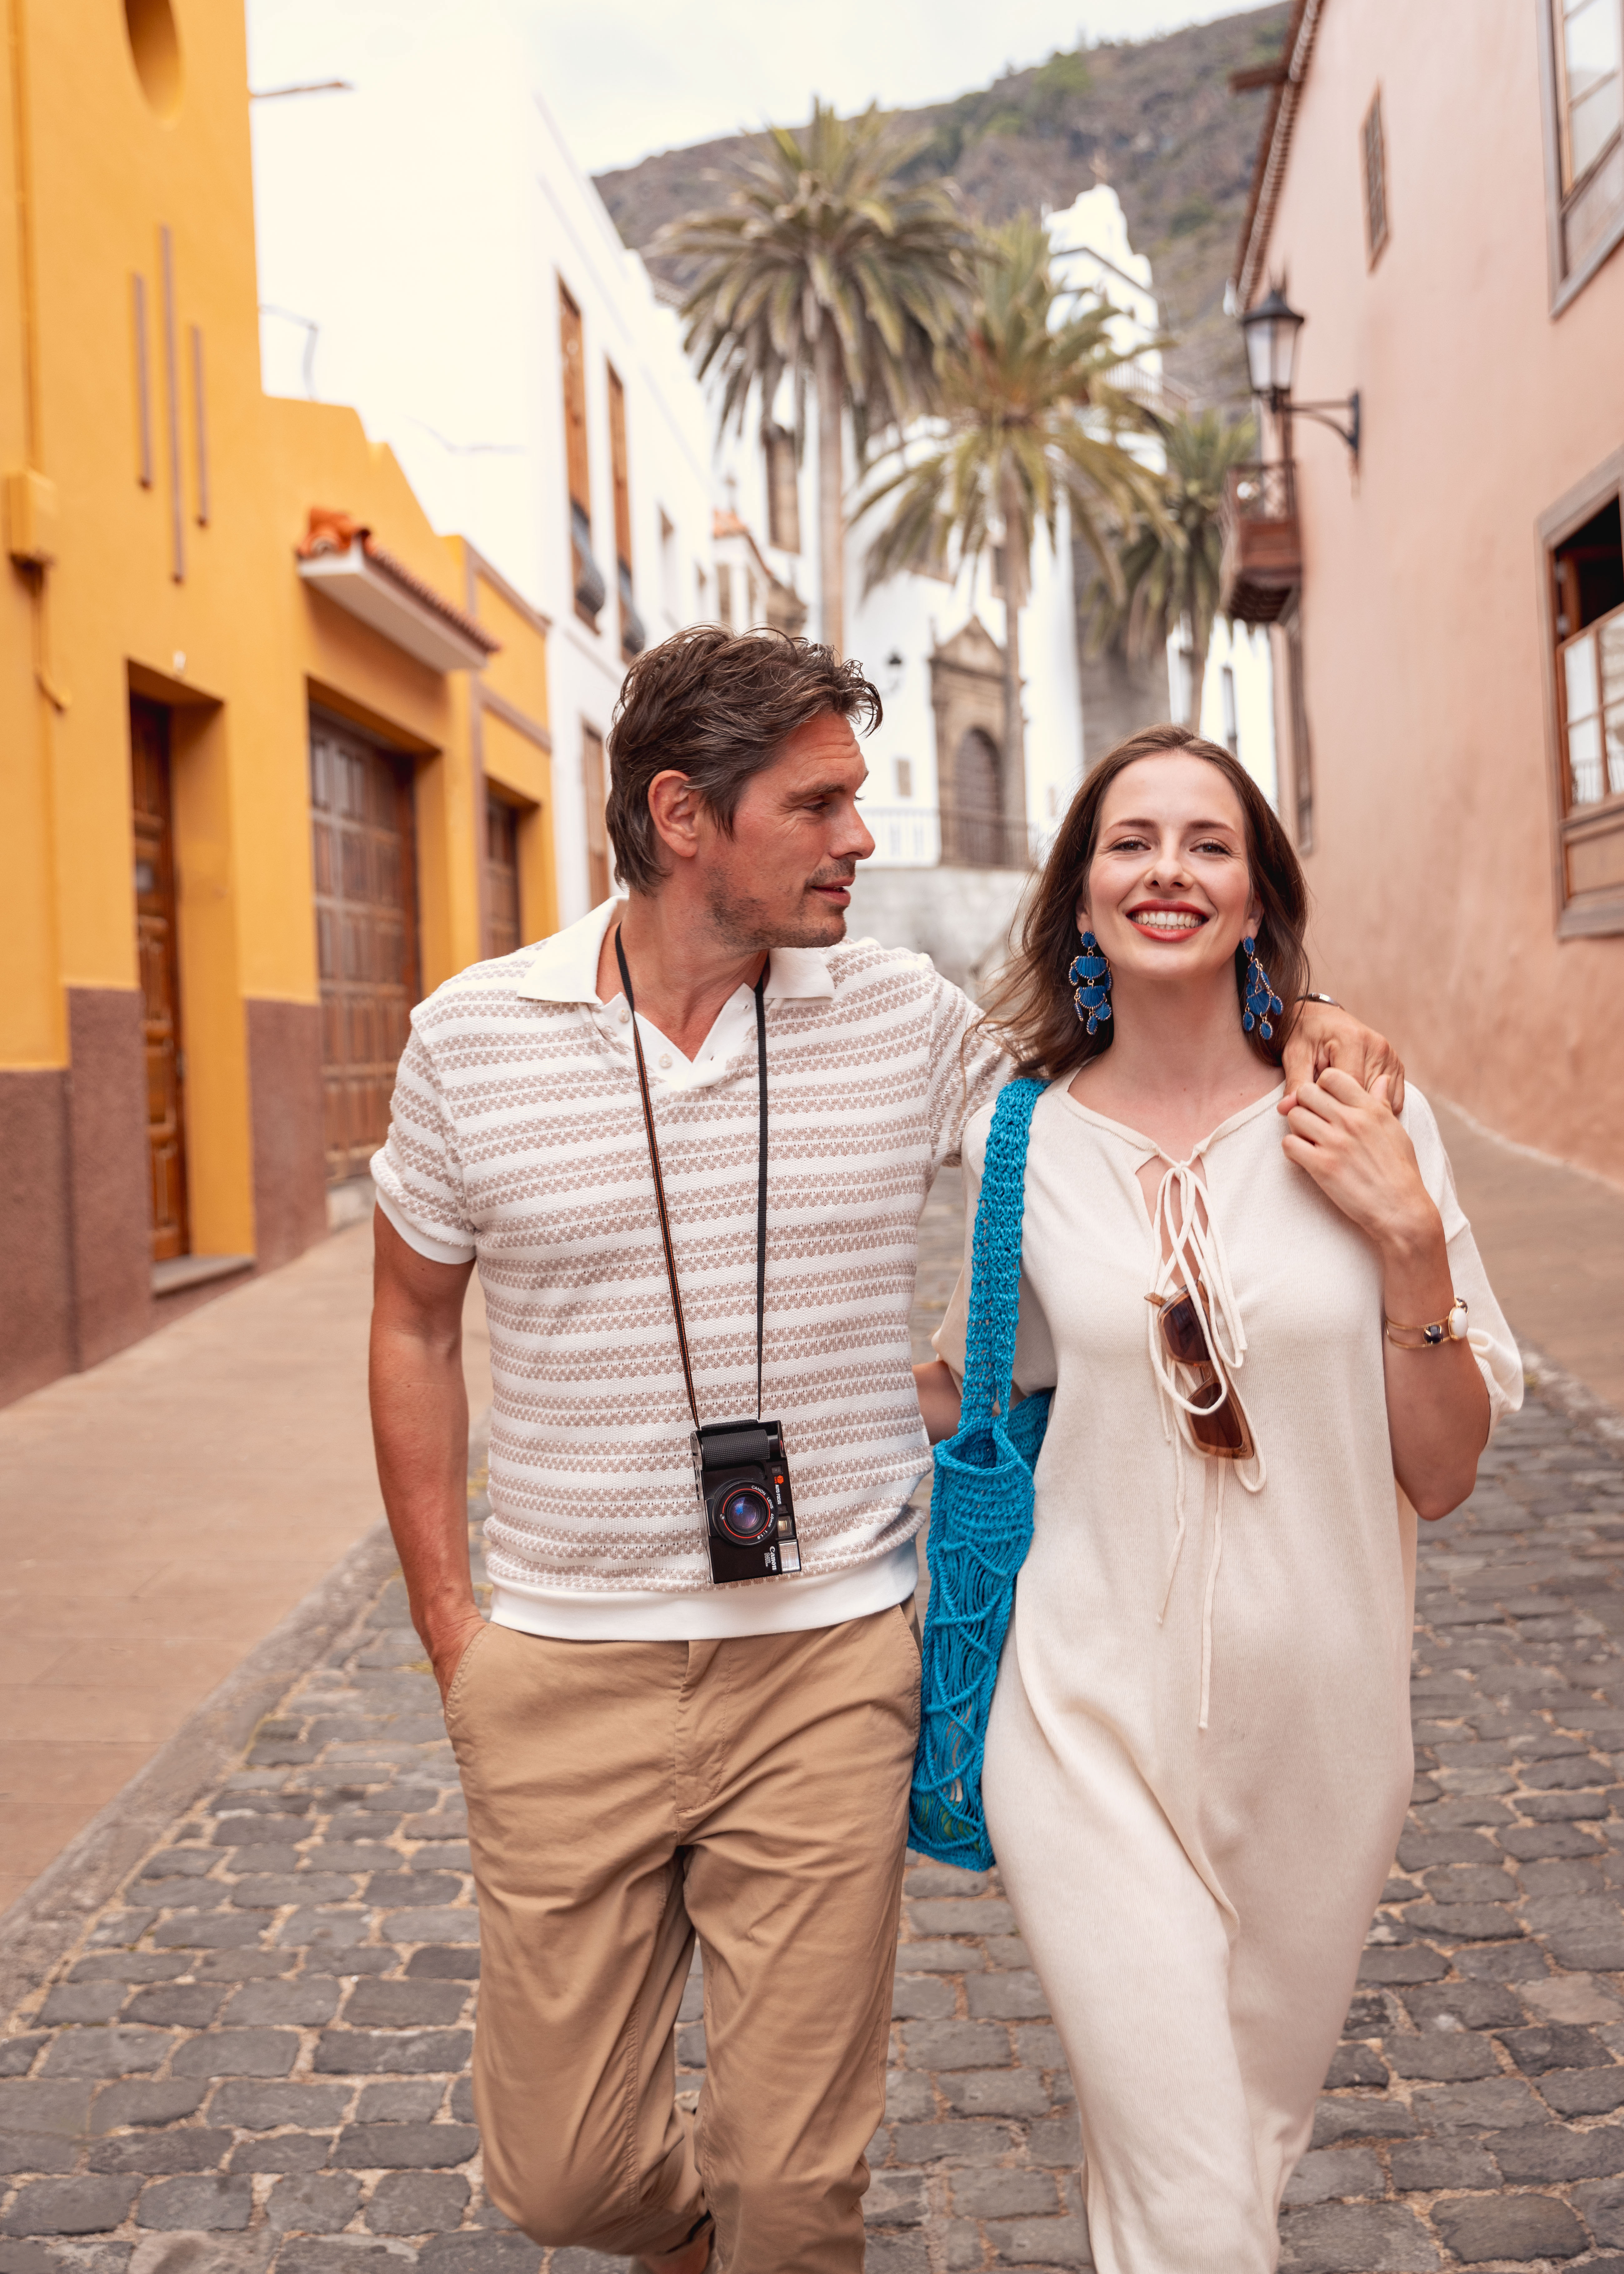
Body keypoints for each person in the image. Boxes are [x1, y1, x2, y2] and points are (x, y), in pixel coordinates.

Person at [367, 635, 1401, 2274]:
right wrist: (452, 1633)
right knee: (563, 2181)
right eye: (823, 803)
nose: (863, 836)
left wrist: (1316, 1021)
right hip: (563, 1660)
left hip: (834, 1665)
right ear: (684, 815)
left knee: (796, 2194)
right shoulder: (471, 1038)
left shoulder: (901, 1016)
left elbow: (1114, 1096)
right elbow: (414, 1325)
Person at [919, 722, 1521, 2274]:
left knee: (1224, 2156)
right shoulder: (1018, 1143)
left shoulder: (1369, 1126)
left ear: (1258, 898)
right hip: (1084, 1716)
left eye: (1207, 841)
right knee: (1194, 2194)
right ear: (1080, 896)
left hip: (1326, 1729)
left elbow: (1442, 1470)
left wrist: (1410, 1249)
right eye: (1130, 841)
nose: (1166, 869)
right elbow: (977, 1377)